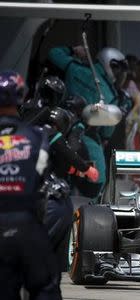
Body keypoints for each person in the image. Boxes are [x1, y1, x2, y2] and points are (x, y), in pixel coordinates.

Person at [0, 71, 61, 300]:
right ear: (20, 96)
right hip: (26, 225)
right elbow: (43, 177)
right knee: (45, 286)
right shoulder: (38, 136)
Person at [48, 46, 129, 199]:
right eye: (117, 69)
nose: (119, 75)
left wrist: (71, 50)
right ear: (109, 64)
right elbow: (106, 131)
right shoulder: (109, 94)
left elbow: (54, 54)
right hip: (88, 136)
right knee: (96, 185)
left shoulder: (76, 68)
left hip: (56, 128)